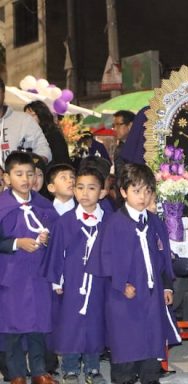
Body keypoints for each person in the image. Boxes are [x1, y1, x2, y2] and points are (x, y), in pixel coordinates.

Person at [86, 164, 181, 384]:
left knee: (151, 338)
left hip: (151, 292)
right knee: (125, 341)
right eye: (136, 191)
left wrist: (167, 285)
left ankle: (150, 377)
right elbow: (104, 259)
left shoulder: (155, 222)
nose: (143, 196)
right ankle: (124, 379)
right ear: (123, 192)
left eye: (147, 191)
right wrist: (121, 283)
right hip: (124, 294)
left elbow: (163, 256)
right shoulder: (113, 223)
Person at [42, 167, 108, 384]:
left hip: (98, 283)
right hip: (72, 281)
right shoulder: (64, 222)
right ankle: (69, 368)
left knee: (95, 324)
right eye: (80, 187)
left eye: (91, 188)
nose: (85, 193)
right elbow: (56, 252)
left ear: (101, 192)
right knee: (70, 324)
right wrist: (56, 281)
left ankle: (92, 368)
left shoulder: (108, 222)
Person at [0, 151, 59, 384]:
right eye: (18, 174)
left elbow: (57, 236)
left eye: (30, 174)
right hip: (10, 276)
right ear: (6, 177)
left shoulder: (43, 205)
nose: (25, 179)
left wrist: (47, 238)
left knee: (37, 325)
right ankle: (16, 373)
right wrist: (17, 243)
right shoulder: (2, 206)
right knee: (12, 326)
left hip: (37, 275)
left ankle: (38, 371)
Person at [0, 79, 52, 167]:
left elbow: (43, 150)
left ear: (3, 93)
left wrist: (33, 167)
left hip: (21, 180)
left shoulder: (25, 120)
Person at [24, 101, 71, 165]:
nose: (28, 119)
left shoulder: (54, 134)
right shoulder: (26, 137)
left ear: (42, 115)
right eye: (26, 116)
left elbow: (62, 159)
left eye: (33, 115)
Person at [112, 110, 135, 180]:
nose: (115, 129)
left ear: (130, 125)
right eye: (114, 126)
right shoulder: (119, 148)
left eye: (118, 125)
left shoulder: (140, 147)